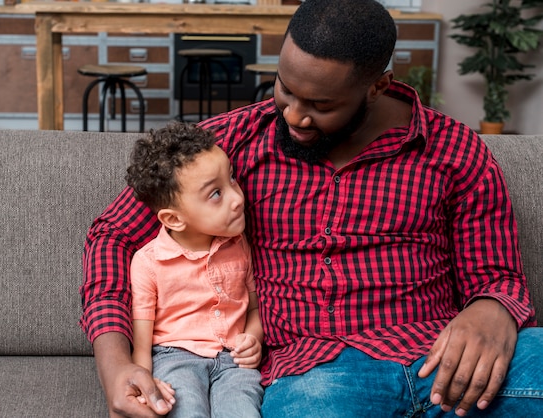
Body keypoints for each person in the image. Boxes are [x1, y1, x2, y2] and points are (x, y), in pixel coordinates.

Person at [80, 0, 543, 417]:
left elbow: (496, 274)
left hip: (443, 357)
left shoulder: (454, 150)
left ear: (378, 86)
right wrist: (116, 365)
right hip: (319, 377)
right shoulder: (229, 146)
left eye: (320, 105)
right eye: (285, 88)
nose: (293, 116)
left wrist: (492, 308)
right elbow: (113, 235)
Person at [124, 122, 264, 417]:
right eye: (216, 194)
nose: (238, 199)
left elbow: (254, 308)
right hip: (175, 360)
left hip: (234, 363)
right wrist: (146, 382)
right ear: (173, 219)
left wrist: (253, 337)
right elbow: (142, 342)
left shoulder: (239, 244)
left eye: (233, 180)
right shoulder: (148, 263)